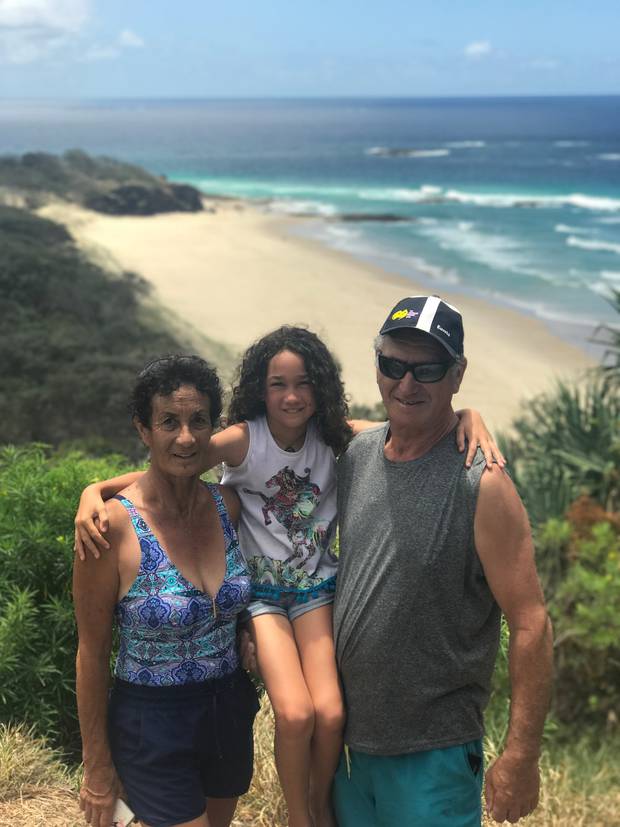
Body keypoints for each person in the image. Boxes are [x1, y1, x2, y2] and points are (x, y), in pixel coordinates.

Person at [74, 326, 503, 827]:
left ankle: (319, 804)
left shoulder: (333, 435)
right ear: (260, 388)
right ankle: (298, 815)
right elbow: (177, 463)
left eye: (303, 383)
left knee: (332, 714)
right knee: (296, 715)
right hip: (262, 599)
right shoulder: (244, 440)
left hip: (315, 593)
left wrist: (468, 416)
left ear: (320, 387)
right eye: (278, 384)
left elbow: (406, 426)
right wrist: (96, 489)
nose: (292, 396)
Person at [332, 295, 553, 826]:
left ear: (457, 374)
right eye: (393, 365)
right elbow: (274, 433)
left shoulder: (482, 483)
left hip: (432, 756)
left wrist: (521, 756)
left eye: (427, 370)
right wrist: (111, 491)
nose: (406, 385)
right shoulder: (360, 452)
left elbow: (532, 623)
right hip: (347, 752)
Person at [73, 355, 259, 827]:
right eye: (169, 422)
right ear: (144, 430)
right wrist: (96, 767)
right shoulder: (110, 527)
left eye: (199, 421)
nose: (186, 436)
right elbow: (91, 652)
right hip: (152, 722)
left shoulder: (227, 506)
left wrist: (249, 629)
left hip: (228, 710)